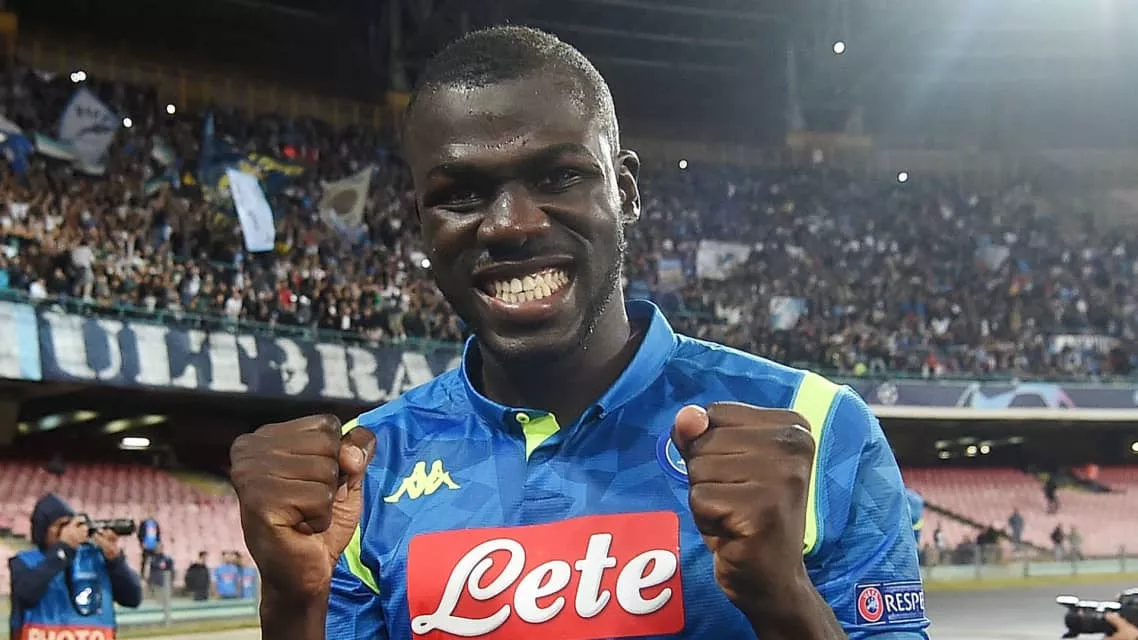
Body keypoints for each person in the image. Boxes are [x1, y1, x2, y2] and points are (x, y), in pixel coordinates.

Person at [229, 26, 929, 640]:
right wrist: (291, 606)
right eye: (461, 194)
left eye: (559, 176)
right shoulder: (364, 468)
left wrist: (783, 598)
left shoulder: (815, 426)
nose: (511, 224)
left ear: (625, 191)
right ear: (422, 225)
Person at [7, 494, 142, 639]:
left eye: (70, 524)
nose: (67, 531)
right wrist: (63, 549)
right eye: (60, 525)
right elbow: (26, 595)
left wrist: (115, 559)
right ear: (43, 529)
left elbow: (132, 599)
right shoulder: (26, 562)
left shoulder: (95, 559)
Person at [137, 510, 161, 580]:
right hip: (146, 545)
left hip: (154, 545)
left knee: (154, 561)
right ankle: (142, 576)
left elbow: (158, 534)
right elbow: (140, 534)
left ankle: (153, 576)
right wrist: (142, 542)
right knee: (144, 561)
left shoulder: (155, 523)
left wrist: (158, 543)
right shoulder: (143, 523)